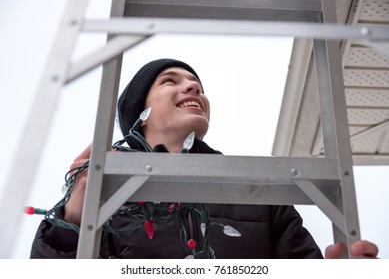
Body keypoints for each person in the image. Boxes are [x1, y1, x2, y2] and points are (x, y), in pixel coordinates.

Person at [30, 58, 378, 259]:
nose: (193, 88)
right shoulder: (107, 193)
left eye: (197, 84)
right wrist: (71, 222)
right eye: (170, 81)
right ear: (142, 114)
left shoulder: (259, 190)